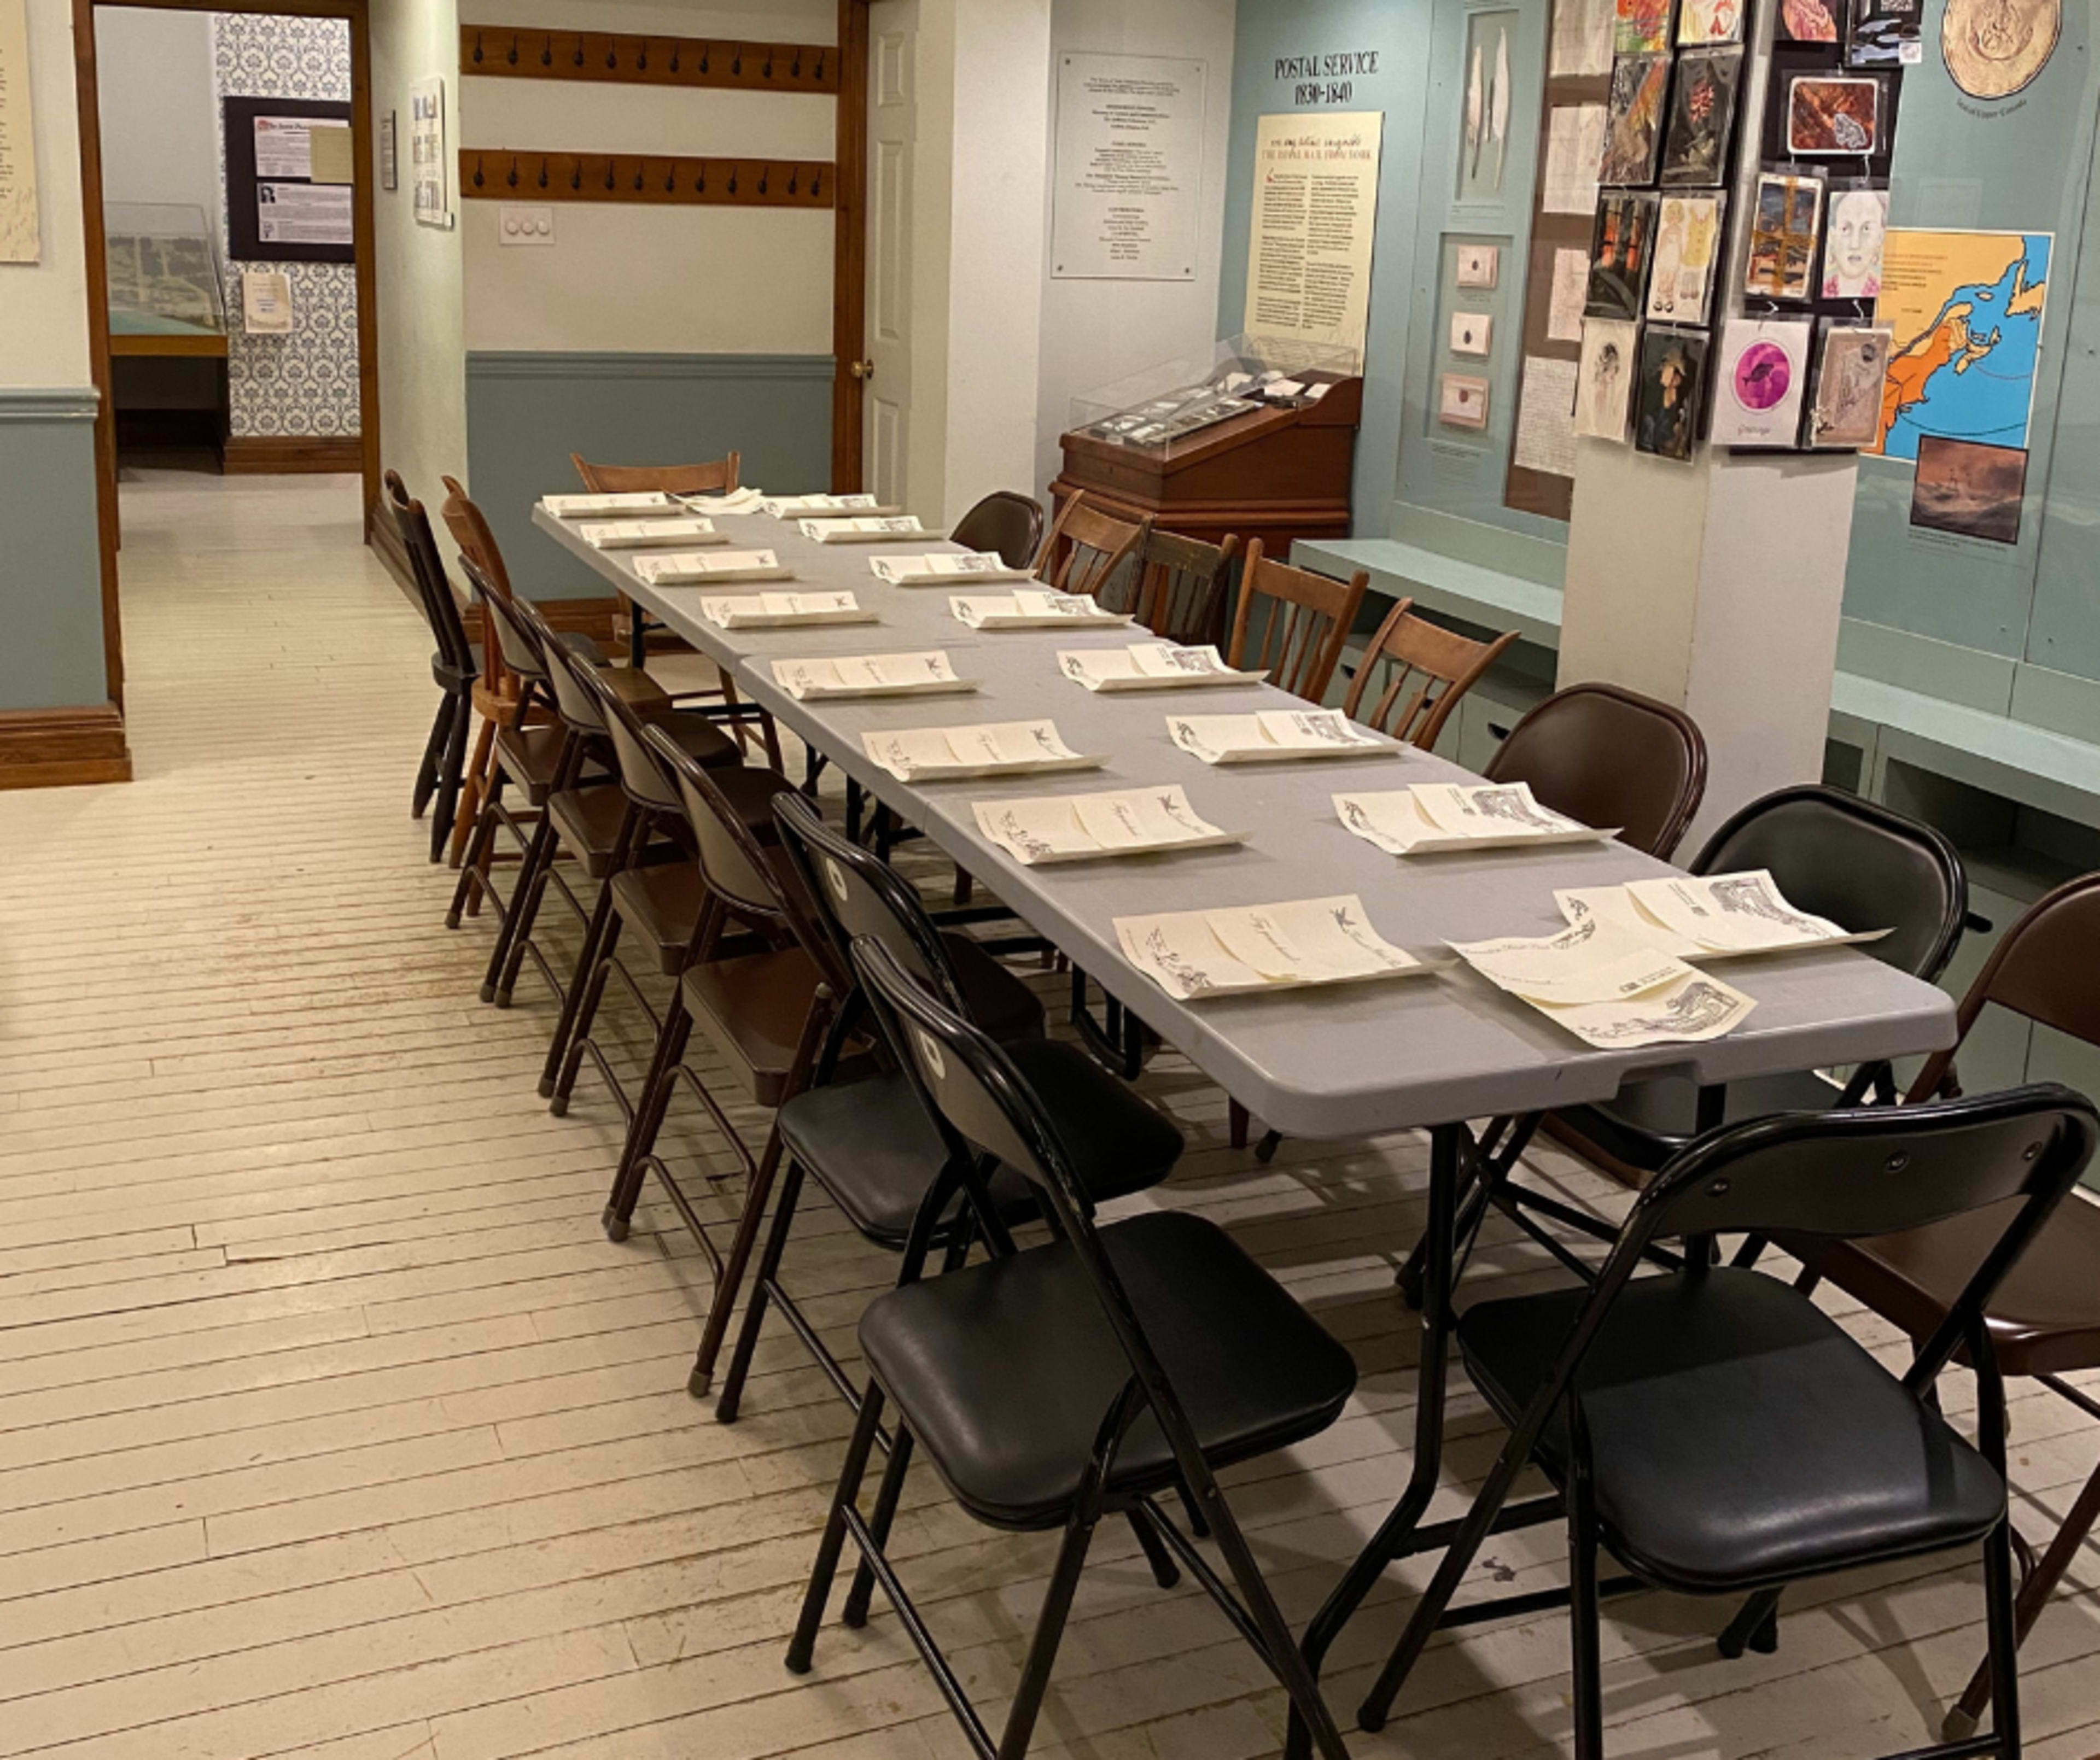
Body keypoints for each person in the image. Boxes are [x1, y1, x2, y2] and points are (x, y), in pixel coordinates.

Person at [1823, 188, 1888, 299]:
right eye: (1846, 229)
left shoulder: (1885, 296)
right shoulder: (1825, 289)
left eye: (1866, 229)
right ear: (1832, 236)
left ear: (1880, 237)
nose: (1855, 244)